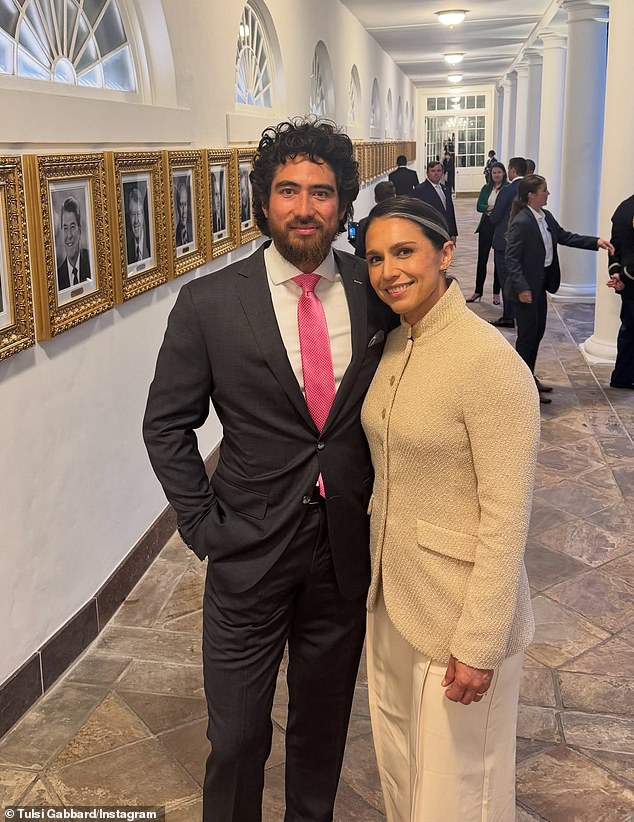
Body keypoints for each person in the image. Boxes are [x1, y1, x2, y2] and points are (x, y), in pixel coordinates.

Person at [143, 117, 395, 822]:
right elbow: (166, 425)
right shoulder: (210, 304)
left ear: (344, 205)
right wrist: (202, 526)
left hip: (342, 554)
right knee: (236, 737)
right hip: (247, 551)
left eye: (321, 192)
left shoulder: (376, 294)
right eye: (288, 190)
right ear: (263, 202)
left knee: (320, 734)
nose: (304, 206)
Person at [360, 195, 540, 821]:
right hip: (393, 597)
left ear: (445, 253)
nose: (389, 271)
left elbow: (507, 517)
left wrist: (481, 640)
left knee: (460, 792)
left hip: (459, 612)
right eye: (376, 257)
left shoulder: (488, 363)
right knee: (402, 768)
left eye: (404, 252)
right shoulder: (394, 347)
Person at [506, 175, 614, 403]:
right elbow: (512, 259)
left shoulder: (545, 217)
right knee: (526, 337)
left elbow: (564, 237)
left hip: (541, 283)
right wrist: (522, 288)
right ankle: (521, 387)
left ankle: (529, 378)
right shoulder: (522, 221)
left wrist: (595, 242)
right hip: (525, 289)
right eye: (544, 190)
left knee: (537, 333)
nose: (548, 194)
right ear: (531, 195)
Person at [488, 156, 527, 328]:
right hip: (525, 240)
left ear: (511, 170)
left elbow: (496, 216)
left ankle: (509, 315)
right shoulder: (530, 189)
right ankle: (521, 312)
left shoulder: (508, 190)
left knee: (506, 279)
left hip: (505, 241)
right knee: (520, 275)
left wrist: (491, 215)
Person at [467, 161, 509, 303]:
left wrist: (491, 208)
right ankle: (478, 291)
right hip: (486, 225)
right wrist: (493, 208)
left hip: (501, 227)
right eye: (494, 172)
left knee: (499, 260)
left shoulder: (507, 188)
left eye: (499, 172)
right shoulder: (486, 188)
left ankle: (496, 293)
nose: (496, 175)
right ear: (490, 174)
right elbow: (480, 206)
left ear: (504, 173)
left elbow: (506, 207)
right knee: (482, 259)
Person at [606, 193, 634, 389]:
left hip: (627, 279)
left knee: (629, 330)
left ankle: (622, 376)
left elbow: (614, 246)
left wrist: (617, 272)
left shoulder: (624, 206)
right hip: (631, 278)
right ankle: (623, 376)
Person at [412, 160, 458, 243]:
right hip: (430, 232)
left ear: (442, 172)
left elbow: (450, 213)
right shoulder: (420, 190)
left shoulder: (446, 189)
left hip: (445, 232)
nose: (436, 173)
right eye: (433, 171)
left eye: (439, 171)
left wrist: (453, 233)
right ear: (427, 173)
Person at [354, 180, 396, 259]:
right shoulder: (403, 221)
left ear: (376, 199)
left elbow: (359, 255)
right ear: (394, 197)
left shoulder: (364, 224)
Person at [56, 196, 91, 290]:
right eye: (65, 228)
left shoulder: (92, 262)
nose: (69, 235)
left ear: (79, 230)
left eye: (72, 227)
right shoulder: (57, 277)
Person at [126, 186, 150, 264]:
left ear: (143, 215)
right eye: (133, 214)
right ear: (129, 217)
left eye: (138, 214)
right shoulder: (126, 248)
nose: (136, 220)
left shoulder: (151, 242)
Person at [174, 180, 193, 248]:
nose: (184, 210)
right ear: (177, 206)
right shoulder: (174, 235)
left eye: (185, 204)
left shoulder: (193, 229)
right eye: (181, 204)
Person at [211, 171, 226, 235]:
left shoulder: (222, 220)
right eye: (216, 194)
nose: (218, 199)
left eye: (219, 194)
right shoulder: (211, 222)